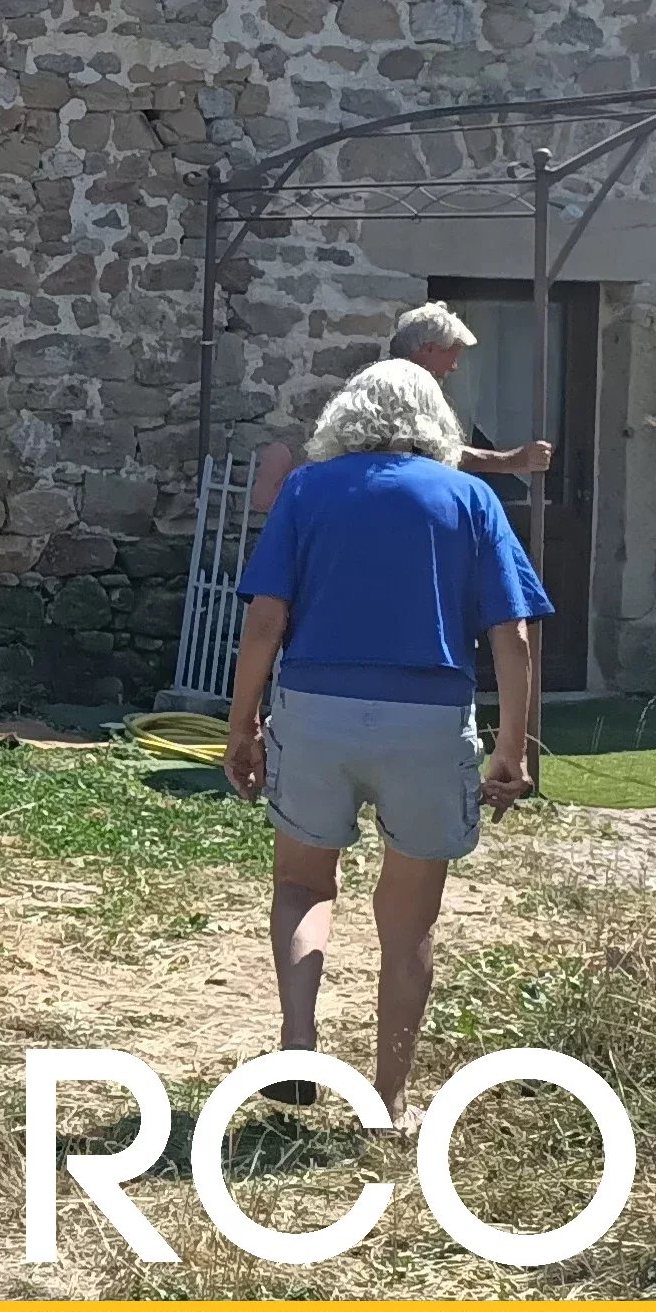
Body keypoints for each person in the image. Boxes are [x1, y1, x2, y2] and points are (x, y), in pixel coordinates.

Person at [222, 357, 551, 1122]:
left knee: (303, 885)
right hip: (428, 718)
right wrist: (513, 746)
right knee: (410, 920)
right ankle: (391, 1100)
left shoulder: (307, 489)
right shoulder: (470, 497)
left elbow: (266, 618)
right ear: (437, 422)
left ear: (345, 415)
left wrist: (241, 724)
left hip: (317, 707)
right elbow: (513, 633)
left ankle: (298, 1043)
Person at [248, 302, 553, 506]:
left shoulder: (372, 383)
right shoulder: (397, 392)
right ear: (429, 349)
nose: (455, 366)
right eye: (453, 354)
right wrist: (510, 462)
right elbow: (440, 450)